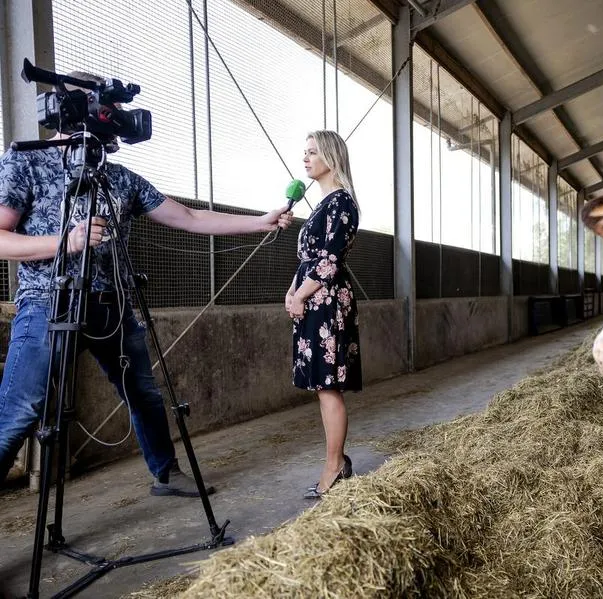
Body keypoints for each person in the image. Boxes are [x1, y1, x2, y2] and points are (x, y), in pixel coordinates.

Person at [0, 70, 293, 497]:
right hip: (48, 302)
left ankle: (167, 474)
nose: (116, 119)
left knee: (144, 392)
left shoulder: (120, 178)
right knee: (20, 411)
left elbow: (189, 218)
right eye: (108, 109)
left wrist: (259, 223)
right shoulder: (26, 160)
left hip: (111, 303)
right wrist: (68, 240)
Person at [286, 130, 362, 499]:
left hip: (327, 300)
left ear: (331, 157)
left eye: (313, 152)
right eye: (305, 152)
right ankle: (339, 461)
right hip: (310, 298)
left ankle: (334, 466)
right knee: (321, 386)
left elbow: (330, 261)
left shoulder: (342, 203)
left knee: (328, 386)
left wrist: (301, 293)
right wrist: (292, 292)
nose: (305, 159)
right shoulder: (321, 205)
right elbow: (308, 259)